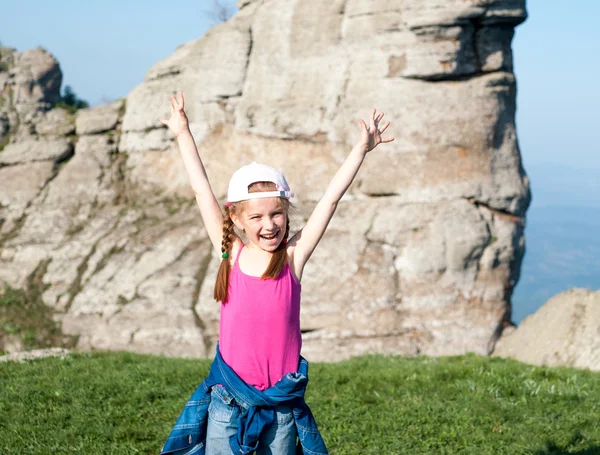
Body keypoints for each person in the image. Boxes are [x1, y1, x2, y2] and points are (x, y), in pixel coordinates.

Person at [158, 92, 394, 455]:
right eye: (256, 217)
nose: (269, 225)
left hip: (281, 409)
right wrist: (182, 133)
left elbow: (330, 200)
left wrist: (360, 151)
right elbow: (201, 190)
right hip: (227, 404)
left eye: (276, 214)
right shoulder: (231, 254)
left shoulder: (293, 257)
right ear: (235, 218)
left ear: (286, 213)